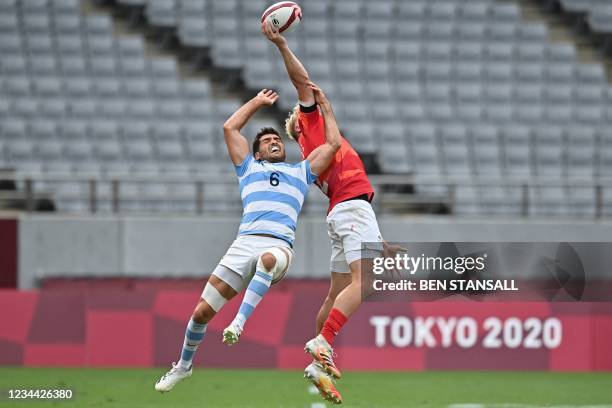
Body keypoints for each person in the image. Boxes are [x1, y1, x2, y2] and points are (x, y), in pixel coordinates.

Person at [154, 87, 340, 393]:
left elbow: (333, 144)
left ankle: (238, 322)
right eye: (267, 141)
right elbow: (230, 127)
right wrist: (257, 102)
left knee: (267, 260)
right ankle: (183, 367)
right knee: (201, 313)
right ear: (257, 153)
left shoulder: (300, 172)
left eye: (277, 139)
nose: (274, 142)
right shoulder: (248, 169)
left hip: (278, 245)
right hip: (244, 244)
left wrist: (326, 108)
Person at [263, 21, 387, 404]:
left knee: (338, 291)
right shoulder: (312, 125)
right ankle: (322, 342)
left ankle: (317, 365)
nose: (310, 106)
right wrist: (282, 44)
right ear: (301, 122)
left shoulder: (308, 152)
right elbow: (304, 82)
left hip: (341, 213)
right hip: (352, 207)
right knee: (365, 283)